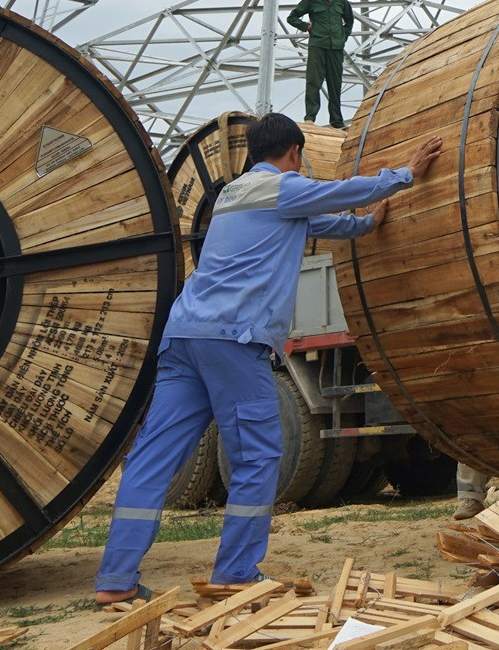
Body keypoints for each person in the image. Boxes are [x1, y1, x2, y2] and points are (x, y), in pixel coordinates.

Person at [93, 114, 443, 607]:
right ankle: (236, 572)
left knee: (153, 458)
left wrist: (367, 224)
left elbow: (324, 222)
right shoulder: (282, 188)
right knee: (257, 456)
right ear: (295, 152)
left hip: (185, 334)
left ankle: (115, 580)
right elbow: (340, 193)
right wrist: (405, 174)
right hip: (233, 340)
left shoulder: (232, 196)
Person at [288, 0, 354, 129]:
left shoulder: (341, 1)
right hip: (317, 45)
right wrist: (306, 26)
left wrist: (342, 37)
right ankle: (310, 117)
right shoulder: (312, 0)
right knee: (314, 81)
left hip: (335, 48)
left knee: (335, 83)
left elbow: (349, 22)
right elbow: (292, 17)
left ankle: (336, 121)